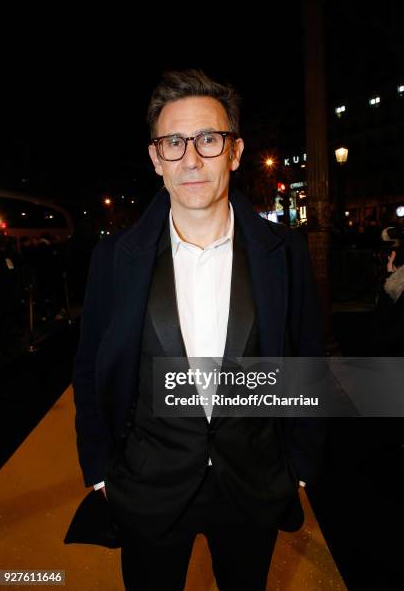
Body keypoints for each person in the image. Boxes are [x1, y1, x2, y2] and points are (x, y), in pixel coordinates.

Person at [67, 69, 325, 590]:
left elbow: (308, 361)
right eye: (173, 142)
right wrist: (99, 471)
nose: (191, 158)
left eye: (208, 139)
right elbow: (91, 368)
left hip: (253, 487)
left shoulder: (285, 254)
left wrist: (298, 466)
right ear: (155, 158)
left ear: (234, 151)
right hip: (146, 488)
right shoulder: (115, 259)